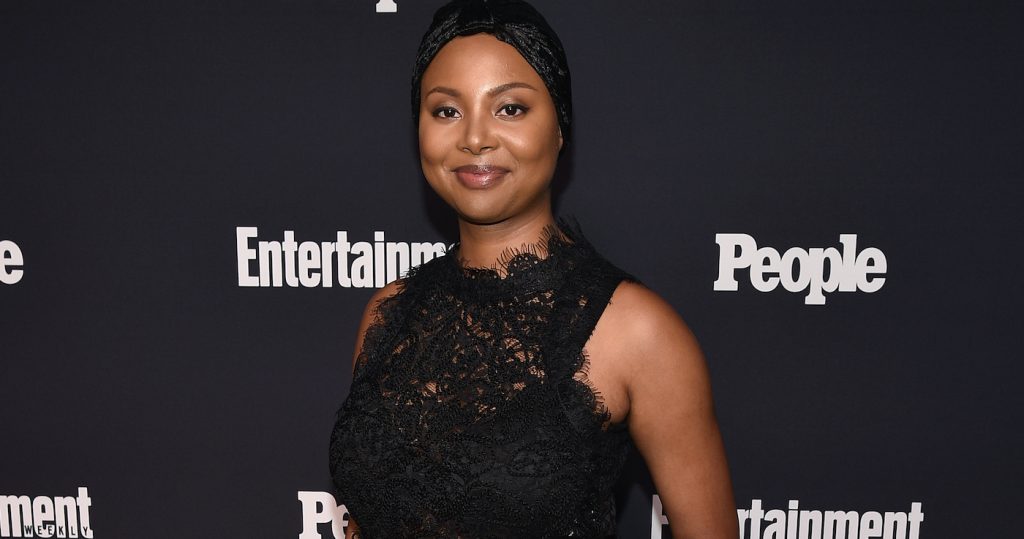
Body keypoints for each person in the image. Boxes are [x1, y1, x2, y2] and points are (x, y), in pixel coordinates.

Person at [329, 1, 737, 537]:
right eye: (446, 111)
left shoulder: (636, 331)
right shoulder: (389, 313)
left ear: (560, 128)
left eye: (510, 108)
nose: (474, 137)